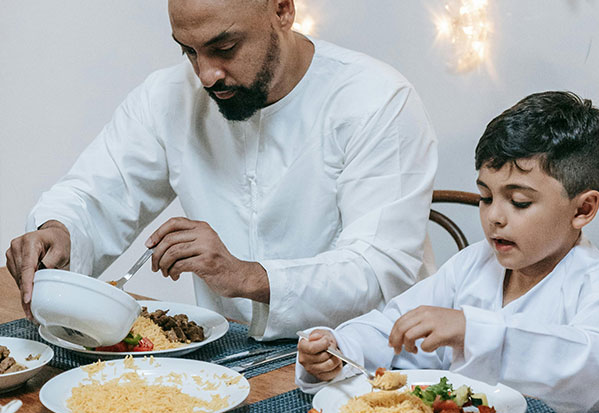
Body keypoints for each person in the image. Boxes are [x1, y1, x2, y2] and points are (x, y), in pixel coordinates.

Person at [4, 0, 438, 340]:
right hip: (226, 361)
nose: (206, 74)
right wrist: (58, 231)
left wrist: (245, 275)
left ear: (282, 9)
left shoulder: (378, 100)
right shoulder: (167, 97)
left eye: (224, 47)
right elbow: (94, 194)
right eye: (189, 51)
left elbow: (378, 268)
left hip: (367, 364)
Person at [297, 91, 599, 413]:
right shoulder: (472, 266)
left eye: (519, 202)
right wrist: (341, 349)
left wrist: (472, 329)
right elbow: (397, 328)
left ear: (583, 208)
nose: (494, 217)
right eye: (486, 197)